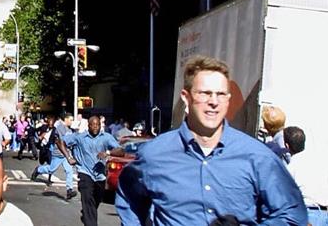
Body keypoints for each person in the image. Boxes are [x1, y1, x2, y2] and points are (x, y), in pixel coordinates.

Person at [115, 55, 307, 225]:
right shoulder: (154, 155)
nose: (214, 101)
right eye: (205, 93)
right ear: (186, 97)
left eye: (221, 94)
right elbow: (129, 198)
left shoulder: (257, 156)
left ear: (228, 99)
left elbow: (291, 213)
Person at [56, 115, 120, 226]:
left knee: (96, 200)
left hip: (100, 175)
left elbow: (121, 151)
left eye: (97, 125)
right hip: (84, 172)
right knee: (87, 198)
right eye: (93, 125)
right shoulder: (80, 137)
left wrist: (108, 153)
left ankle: (86, 214)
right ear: (88, 126)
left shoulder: (106, 137)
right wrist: (68, 157)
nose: (95, 127)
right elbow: (60, 141)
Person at [285, 126, 328, 225]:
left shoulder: (292, 166)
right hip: (325, 213)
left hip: (308, 215)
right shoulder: (318, 160)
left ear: (287, 146)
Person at [31, 113, 77, 200]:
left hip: (66, 155)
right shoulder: (59, 128)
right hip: (58, 153)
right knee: (51, 169)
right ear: (66, 119)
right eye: (70, 120)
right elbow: (59, 141)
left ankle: (69, 190)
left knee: (69, 171)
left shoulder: (70, 130)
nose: (72, 122)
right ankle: (38, 169)